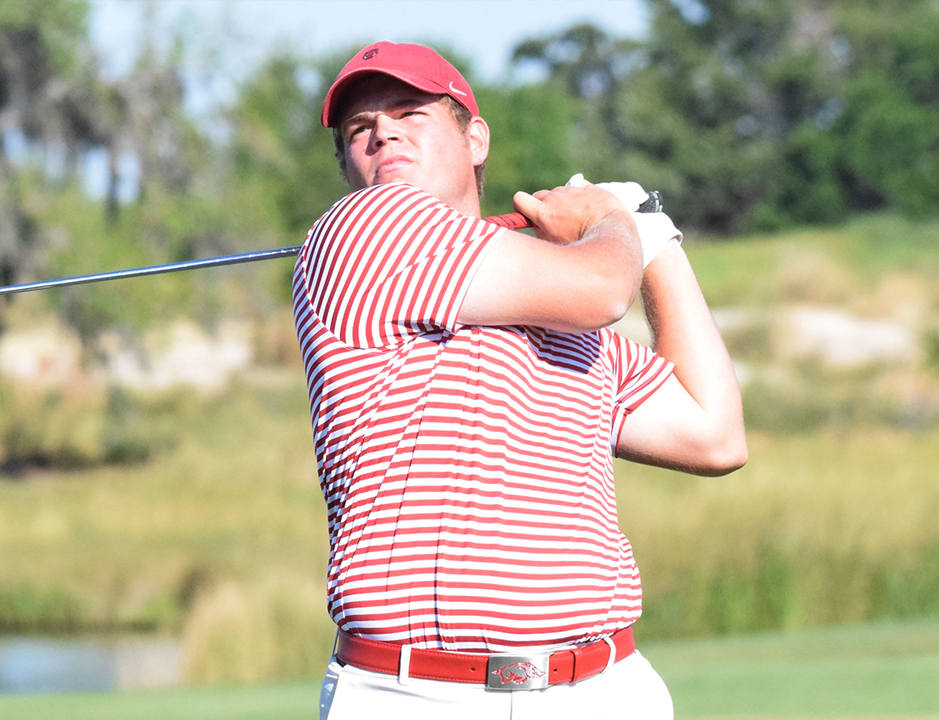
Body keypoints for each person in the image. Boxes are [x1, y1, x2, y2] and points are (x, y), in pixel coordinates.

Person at [292, 41, 747, 720]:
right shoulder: (361, 230)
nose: (382, 131)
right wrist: (613, 221)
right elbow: (601, 287)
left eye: (410, 113)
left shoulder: (566, 329)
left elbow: (714, 435)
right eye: (360, 129)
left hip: (604, 686)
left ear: (475, 137)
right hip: (421, 694)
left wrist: (657, 237)